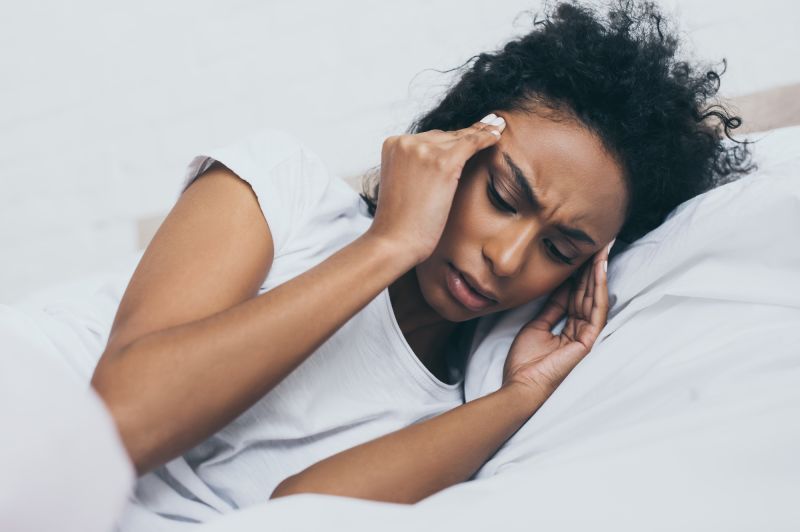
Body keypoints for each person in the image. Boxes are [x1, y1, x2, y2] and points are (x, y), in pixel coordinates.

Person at [87, 0, 752, 520]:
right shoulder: (281, 192)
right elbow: (117, 427)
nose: (507, 257)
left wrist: (520, 397)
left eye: (558, 249)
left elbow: (295, 519)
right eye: (502, 195)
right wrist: (389, 245)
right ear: (451, 144)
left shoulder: (460, 411)